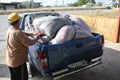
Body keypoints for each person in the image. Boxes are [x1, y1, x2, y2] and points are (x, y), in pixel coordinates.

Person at [6, 12, 43, 80]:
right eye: (19, 20)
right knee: (23, 77)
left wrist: (32, 34)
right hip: (18, 62)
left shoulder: (10, 29)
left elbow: (22, 33)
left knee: (14, 77)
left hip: (11, 60)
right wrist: (37, 38)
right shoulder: (17, 33)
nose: (20, 22)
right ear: (17, 22)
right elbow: (30, 42)